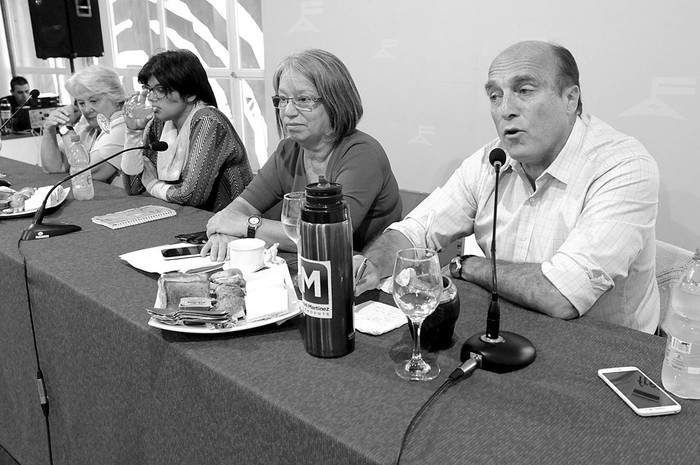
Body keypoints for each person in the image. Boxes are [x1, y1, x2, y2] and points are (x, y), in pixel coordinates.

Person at [355, 41, 660, 334]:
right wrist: (370, 265)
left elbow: (562, 294)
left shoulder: (623, 166)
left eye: (524, 90)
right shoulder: (491, 160)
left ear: (570, 99)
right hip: (506, 327)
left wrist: (468, 266)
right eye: (495, 96)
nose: (505, 110)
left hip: (604, 350)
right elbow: (415, 230)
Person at [203, 49, 402, 261]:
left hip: (367, 276)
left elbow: (328, 237)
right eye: (282, 99)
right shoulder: (288, 150)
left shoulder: (363, 154)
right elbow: (237, 209)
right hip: (311, 267)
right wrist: (222, 233)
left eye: (303, 99)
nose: (287, 111)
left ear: (336, 102)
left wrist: (247, 226)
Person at [121, 49, 253, 212]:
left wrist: (153, 185)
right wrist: (133, 133)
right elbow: (133, 187)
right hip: (181, 216)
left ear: (190, 94)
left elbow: (191, 195)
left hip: (224, 223)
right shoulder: (159, 123)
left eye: (160, 90)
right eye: (149, 89)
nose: (151, 97)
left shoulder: (208, 121)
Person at [40, 66, 127, 185]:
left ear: (116, 99)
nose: (86, 110)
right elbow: (55, 167)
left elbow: (83, 173)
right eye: (81, 103)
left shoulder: (124, 125)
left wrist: (65, 128)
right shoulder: (88, 125)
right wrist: (49, 128)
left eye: (94, 101)